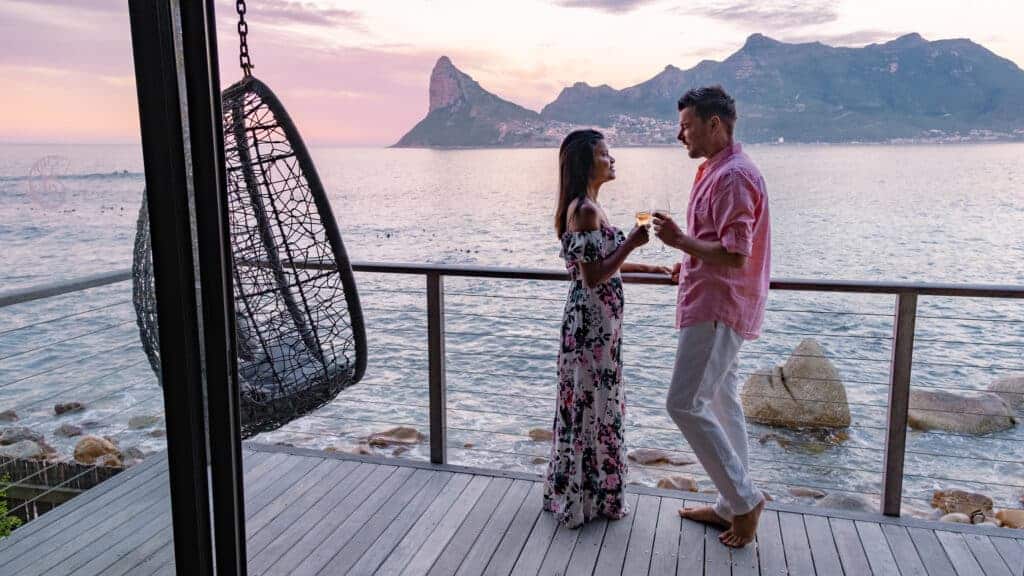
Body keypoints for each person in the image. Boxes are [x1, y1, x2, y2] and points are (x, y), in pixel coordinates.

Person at [652, 86, 771, 547]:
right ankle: (729, 503)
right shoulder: (716, 170)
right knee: (722, 401)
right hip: (712, 298)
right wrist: (688, 259)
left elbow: (737, 254)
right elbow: (718, 241)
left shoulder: (733, 177)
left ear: (714, 124)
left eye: (686, 125)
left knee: (683, 403)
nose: (679, 134)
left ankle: (744, 501)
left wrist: (682, 242)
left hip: (718, 306)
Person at [543, 129, 667, 528]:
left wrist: (650, 267)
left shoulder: (592, 207)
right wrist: (631, 243)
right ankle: (588, 498)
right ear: (586, 163)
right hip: (590, 328)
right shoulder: (584, 210)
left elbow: (602, 260)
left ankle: (592, 495)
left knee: (596, 405)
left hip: (601, 328)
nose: (612, 160)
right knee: (591, 406)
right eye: (604, 154)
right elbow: (593, 275)